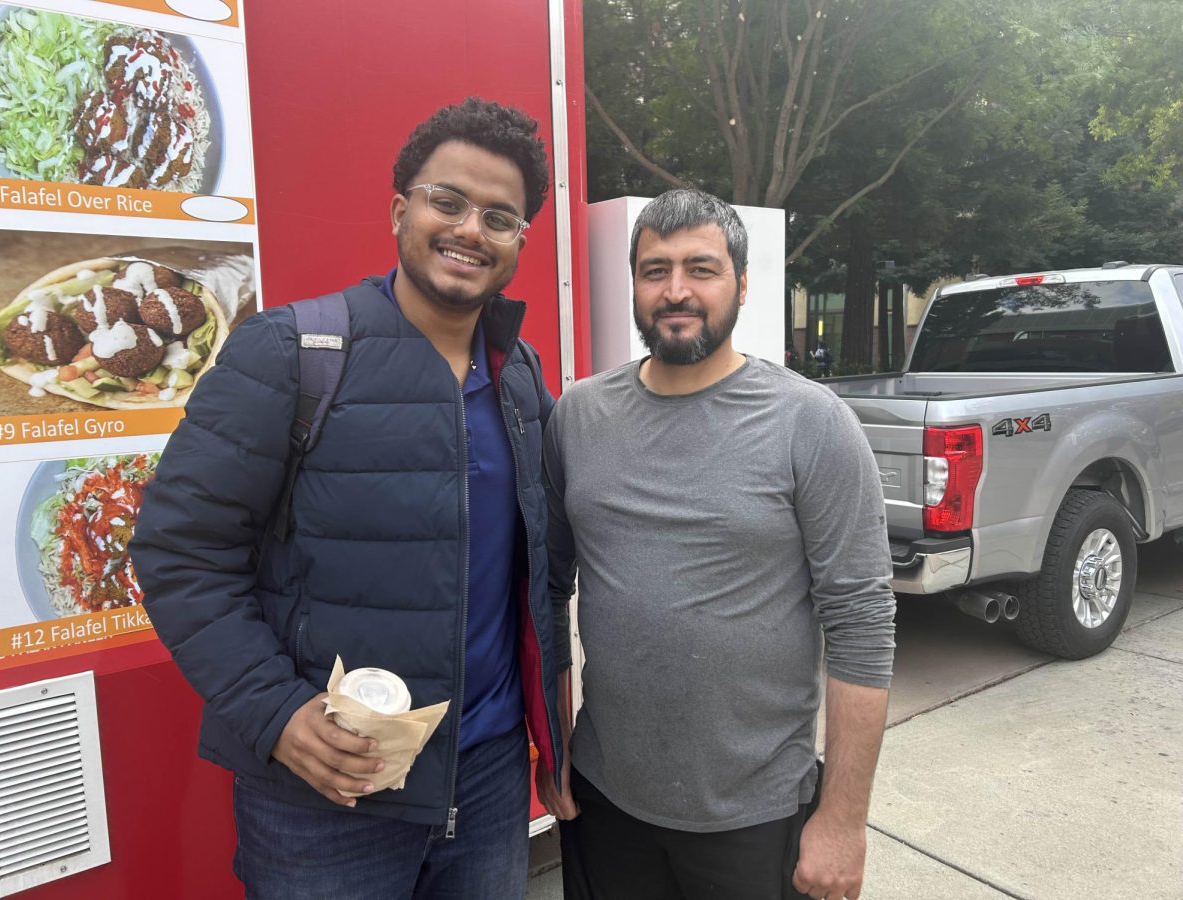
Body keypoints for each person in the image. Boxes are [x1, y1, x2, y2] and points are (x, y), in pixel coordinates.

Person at [129, 98, 563, 900]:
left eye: (499, 217)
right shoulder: (292, 352)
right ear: (401, 208)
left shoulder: (523, 377)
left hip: (492, 783)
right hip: (326, 802)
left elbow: (538, 579)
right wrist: (276, 715)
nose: (471, 229)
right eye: (448, 201)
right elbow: (177, 550)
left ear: (518, 243)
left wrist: (552, 743)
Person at [537, 188, 895, 900]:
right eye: (655, 269)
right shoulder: (577, 416)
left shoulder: (810, 424)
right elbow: (548, 588)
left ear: (741, 282)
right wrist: (554, 745)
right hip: (607, 800)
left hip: (756, 816)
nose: (676, 291)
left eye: (701, 268)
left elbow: (862, 625)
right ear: (634, 282)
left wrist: (844, 820)